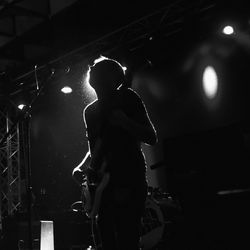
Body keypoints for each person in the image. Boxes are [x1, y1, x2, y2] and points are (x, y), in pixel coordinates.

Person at [72, 56, 157, 250]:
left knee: (127, 239)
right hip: (103, 186)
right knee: (107, 242)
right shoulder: (89, 111)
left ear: (112, 76)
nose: (91, 67)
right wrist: (83, 168)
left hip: (128, 177)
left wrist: (125, 122)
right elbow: (94, 148)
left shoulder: (127, 97)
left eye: (98, 67)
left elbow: (151, 137)